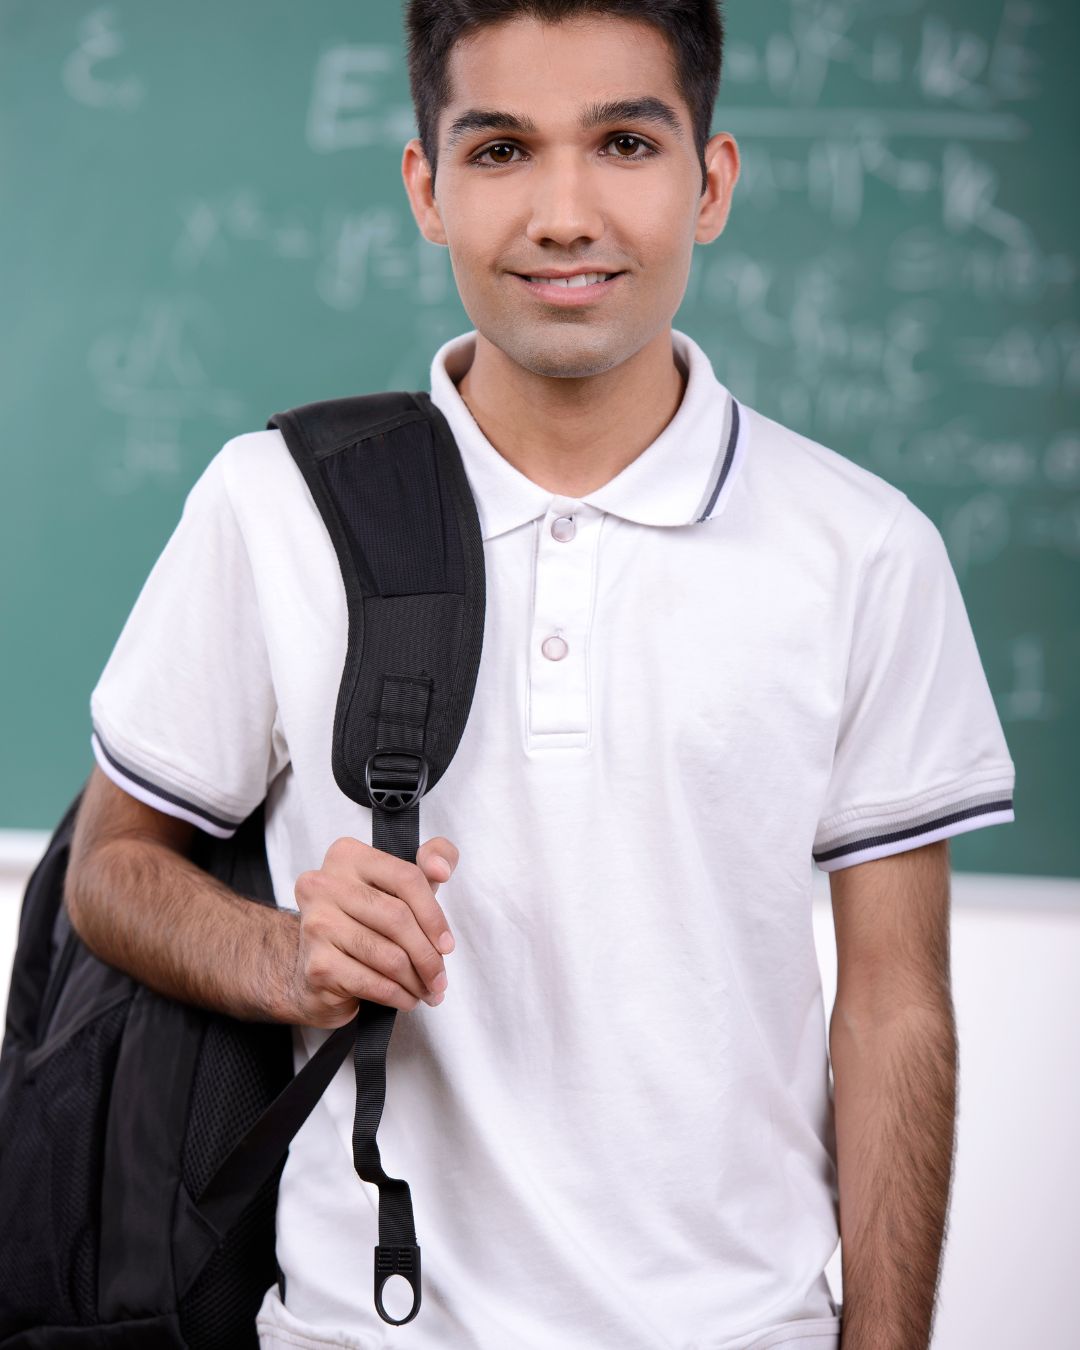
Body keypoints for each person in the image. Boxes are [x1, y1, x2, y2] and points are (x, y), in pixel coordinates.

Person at [65, 2, 1017, 1347]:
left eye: (625, 143)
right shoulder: (275, 504)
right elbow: (110, 866)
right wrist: (287, 955)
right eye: (501, 149)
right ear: (426, 189)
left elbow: (895, 1007)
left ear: (712, 184)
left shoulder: (865, 550)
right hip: (359, 1327)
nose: (565, 216)